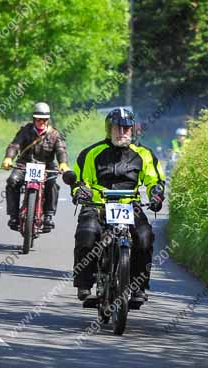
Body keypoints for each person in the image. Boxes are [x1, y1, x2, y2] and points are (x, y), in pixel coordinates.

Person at [68, 107, 165, 305]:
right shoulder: (91, 153)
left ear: (133, 130)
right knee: (86, 233)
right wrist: (80, 191)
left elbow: (155, 181)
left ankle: (138, 286)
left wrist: (156, 195)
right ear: (109, 129)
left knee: (144, 237)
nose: (122, 132)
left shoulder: (145, 154)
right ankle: (84, 283)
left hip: (130, 206)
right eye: (117, 128)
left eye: (126, 128)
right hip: (97, 205)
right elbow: (80, 180)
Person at [1, 102, 69, 232]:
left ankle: (48, 215)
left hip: (46, 166)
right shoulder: (25, 131)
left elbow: (61, 150)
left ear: (48, 120)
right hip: (24, 164)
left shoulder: (54, 134)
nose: (41, 122)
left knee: (53, 184)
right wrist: (9, 157)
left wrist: (63, 164)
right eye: (39, 119)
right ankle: (13, 216)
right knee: (12, 181)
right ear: (34, 119)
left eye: (44, 120)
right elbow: (15, 145)